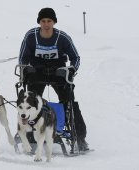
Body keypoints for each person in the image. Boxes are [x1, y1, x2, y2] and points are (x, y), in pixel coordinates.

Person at [18, 7, 89, 151]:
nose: (46, 24)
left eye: (49, 21)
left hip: (58, 72)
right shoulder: (31, 36)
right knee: (32, 103)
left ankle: (80, 138)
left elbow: (76, 58)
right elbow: (23, 58)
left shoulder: (62, 38)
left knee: (69, 102)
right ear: (39, 22)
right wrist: (24, 70)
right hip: (37, 72)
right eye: (43, 21)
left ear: (54, 22)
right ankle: (31, 135)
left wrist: (71, 69)